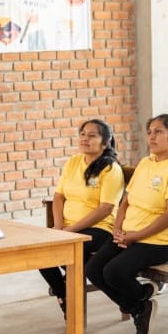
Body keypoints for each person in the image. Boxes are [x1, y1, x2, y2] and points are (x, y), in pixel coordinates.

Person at [86, 114, 168, 334]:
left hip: (160, 241)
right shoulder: (146, 162)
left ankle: (140, 303)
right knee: (94, 269)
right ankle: (140, 305)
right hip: (129, 234)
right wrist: (118, 228)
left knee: (114, 272)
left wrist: (136, 236)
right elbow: (126, 201)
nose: (152, 137)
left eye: (159, 132)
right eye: (150, 132)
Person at [39, 119, 124, 316]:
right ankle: (64, 296)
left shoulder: (111, 169)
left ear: (105, 142)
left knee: (67, 250)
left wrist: (69, 232)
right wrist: (59, 226)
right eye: (83, 134)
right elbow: (59, 196)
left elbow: (105, 209)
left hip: (100, 229)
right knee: (39, 251)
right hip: (68, 228)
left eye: (92, 135)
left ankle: (68, 298)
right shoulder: (74, 161)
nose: (85, 138)